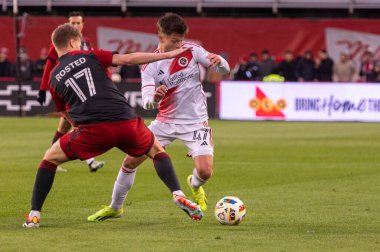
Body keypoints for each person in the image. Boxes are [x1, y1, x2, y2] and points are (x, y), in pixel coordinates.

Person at [23, 23, 203, 228]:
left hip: (93, 131)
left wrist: (79, 128)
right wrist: (166, 56)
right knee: (156, 150)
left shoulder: (54, 77)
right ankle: (177, 193)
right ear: (73, 42)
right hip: (125, 120)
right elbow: (127, 59)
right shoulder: (92, 55)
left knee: (49, 158)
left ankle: (34, 215)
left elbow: (64, 112)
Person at [87, 12, 230, 222]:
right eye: (174, 40)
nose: (180, 43)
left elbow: (224, 70)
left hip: (196, 121)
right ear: (161, 37)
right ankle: (115, 207)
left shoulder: (193, 50)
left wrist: (221, 62)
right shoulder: (149, 64)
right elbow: (146, 101)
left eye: (181, 39)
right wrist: (154, 98)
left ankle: (194, 185)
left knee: (205, 171)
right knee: (129, 162)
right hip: (164, 122)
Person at [36, 11, 104, 172]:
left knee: (66, 125)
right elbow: (49, 65)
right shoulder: (60, 42)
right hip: (68, 88)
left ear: (83, 24)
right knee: (79, 123)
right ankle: (90, 161)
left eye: (77, 23)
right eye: (72, 23)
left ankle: (51, 158)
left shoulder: (86, 42)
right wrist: (42, 89)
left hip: (84, 89)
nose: (75, 26)